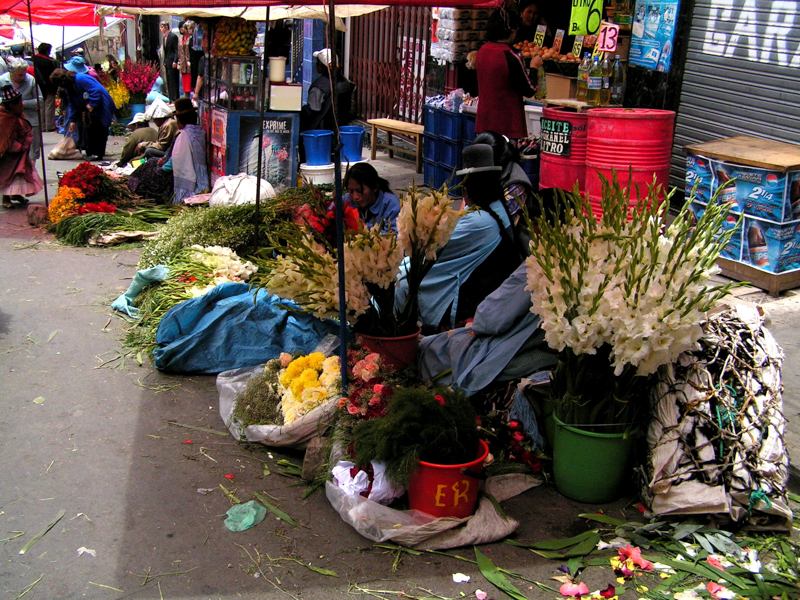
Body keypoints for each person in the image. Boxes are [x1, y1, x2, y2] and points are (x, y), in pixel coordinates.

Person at [395, 144, 521, 332]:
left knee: (402, 284)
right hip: (479, 281)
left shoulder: (480, 220)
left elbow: (434, 249)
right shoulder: (494, 206)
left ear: (466, 191)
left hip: (472, 293)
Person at [475, 9, 542, 140]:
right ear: (511, 30)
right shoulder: (510, 56)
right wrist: (534, 67)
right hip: (507, 125)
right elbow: (530, 89)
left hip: (484, 121)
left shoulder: (482, 51)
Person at [473, 130, 534, 257]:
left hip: (511, 250)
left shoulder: (516, 185)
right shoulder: (489, 174)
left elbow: (499, 227)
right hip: (487, 238)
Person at [50, 68, 115, 161]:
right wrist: (72, 120)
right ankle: (92, 152)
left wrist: (92, 103)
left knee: (99, 128)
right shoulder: (69, 87)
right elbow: (73, 103)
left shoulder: (81, 79)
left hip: (102, 104)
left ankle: (97, 153)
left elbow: (95, 90)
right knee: (90, 128)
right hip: (90, 108)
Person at [0, 85, 43, 208]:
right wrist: (18, 147)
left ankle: (15, 194)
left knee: (20, 175)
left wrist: (26, 143)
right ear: (12, 105)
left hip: (21, 154)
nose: (22, 104)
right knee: (9, 177)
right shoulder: (4, 119)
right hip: (10, 156)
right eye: (19, 103)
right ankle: (6, 198)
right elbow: (5, 139)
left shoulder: (18, 115)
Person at [300, 48, 353, 133]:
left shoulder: (319, 86)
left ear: (321, 65)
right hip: (341, 127)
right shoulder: (345, 82)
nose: (316, 65)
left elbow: (313, 109)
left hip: (321, 131)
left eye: (318, 63)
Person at [0, 58, 43, 165]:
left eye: (24, 74)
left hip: (30, 120)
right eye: (19, 75)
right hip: (8, 121)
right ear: (11, 72)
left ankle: (31, 171)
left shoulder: (31, 80)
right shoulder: (2, 80)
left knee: (32, 151)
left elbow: (40, 100)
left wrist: (23, 104)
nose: (22, 77)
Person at [169, 97, 208, 203]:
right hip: (202, 178)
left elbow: (178, 160)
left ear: (180, 121)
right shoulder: (199, 132)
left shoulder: (184, 136)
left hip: (191, 185)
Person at [342, 162, 401, 231]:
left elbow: (396, 234)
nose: (355, 197)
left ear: (374, 187)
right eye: (351, 191)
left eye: (360, 191)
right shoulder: (347, 200)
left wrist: (365, 228)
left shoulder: (392, 205)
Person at [33, 43, 57, 132]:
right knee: (49, 106)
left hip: (37, 86)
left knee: (41, 106)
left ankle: (41, 126)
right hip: (49, 86)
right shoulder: (49, 62)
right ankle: (49, 126)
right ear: (47, 51)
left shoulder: (33, 59)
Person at [161, 21, 180, 101]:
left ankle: (175, 98)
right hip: (167, 61)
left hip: (172, 61)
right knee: (168, 80)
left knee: (173, 81)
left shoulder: (173, 37)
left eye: (162, 27)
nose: (160, 29)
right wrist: (164, 61)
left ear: (166, 27)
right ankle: (170, 98)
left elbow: (176, 50)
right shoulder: (164, 38)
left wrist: (175, 61)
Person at [178, 21, 194, 98]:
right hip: (183, 64)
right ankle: (186, 98)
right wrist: (179, 62)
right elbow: (179, 51)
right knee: (185, 84)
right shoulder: (180, 39)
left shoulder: (191, 39)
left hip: (189, 64)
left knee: (190, 83)